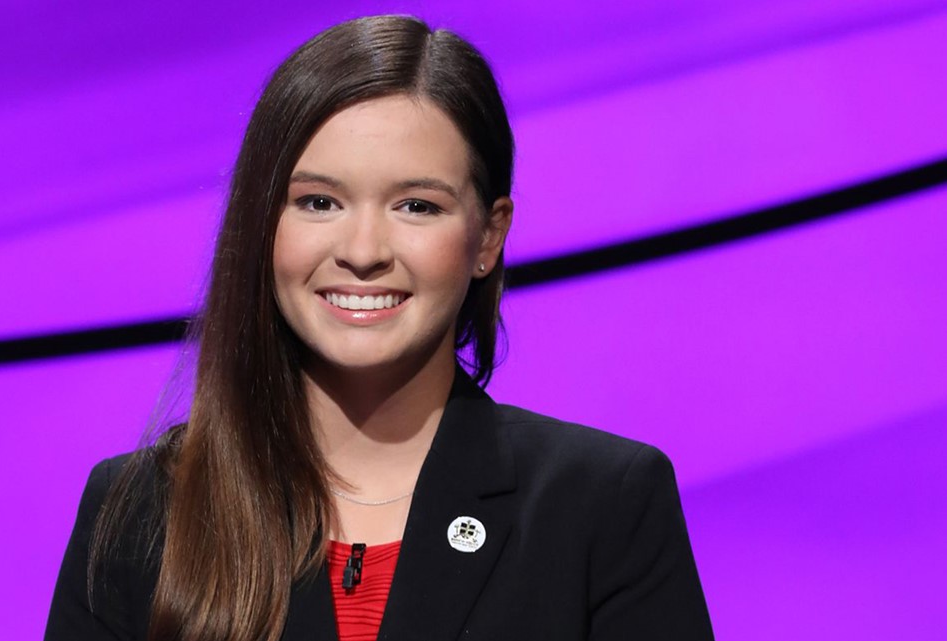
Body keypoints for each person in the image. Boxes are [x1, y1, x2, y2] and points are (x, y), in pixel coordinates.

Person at [44, 14, 713, 641]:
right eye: (319, 202)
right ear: (262, 225)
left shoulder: (602, 506)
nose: (363, 250)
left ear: (488, 235)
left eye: (417, 205)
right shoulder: (139, 511)